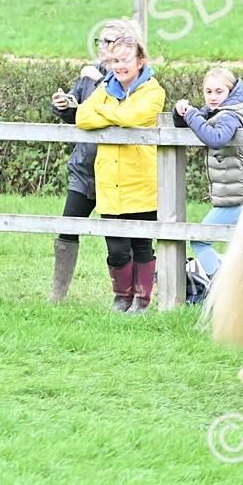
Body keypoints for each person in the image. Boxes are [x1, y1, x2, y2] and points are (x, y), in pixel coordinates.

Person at [47, 19, 139, 303]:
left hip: (117, 173)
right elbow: (80, 112)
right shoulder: (89, 75)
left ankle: (127, 297)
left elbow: (125, 109)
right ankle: (57, 295)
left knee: (119, 239)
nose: (102, 46)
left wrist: (100, 82)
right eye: (100, 41)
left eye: (109, 41)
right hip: (85, 169)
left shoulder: (135, 76)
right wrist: (63, 104)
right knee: (69, 228)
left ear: (127, 45)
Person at [76, 30, 166, 314]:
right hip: (109, 180)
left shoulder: (153, 91)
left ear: (140, 61)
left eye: (125, 59)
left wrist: (103, 116)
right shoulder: (105, 88)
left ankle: (142, 300)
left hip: (141, 179)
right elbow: (81, 116)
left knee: (141, 245)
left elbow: (133, 118)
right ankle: (121, 297)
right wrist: (113, 118)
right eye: (114, 60)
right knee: (115, 248)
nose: (119, 66)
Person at [172, 68, 243, 283]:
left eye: (219, 92)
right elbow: (183, 124)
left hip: (240, 195)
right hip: (236, 192)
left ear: (231, 92)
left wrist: (193, 115)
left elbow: (216, 138)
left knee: (200, 239)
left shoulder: (230, 115)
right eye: (208, 91)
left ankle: (218, 285)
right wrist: (180, 112)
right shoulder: (220, 110)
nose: (213, 97)